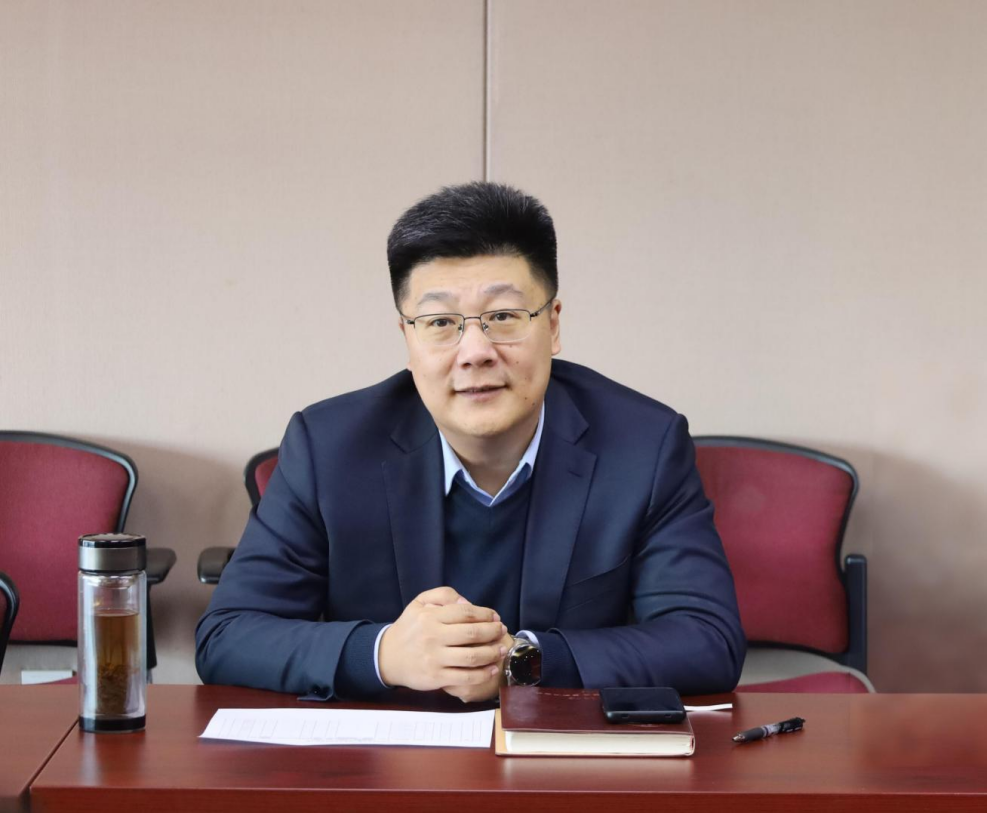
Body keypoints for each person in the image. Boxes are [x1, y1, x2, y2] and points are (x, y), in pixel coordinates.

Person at [196, 182, 745, 702]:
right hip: (389, 756)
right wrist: (384, 653)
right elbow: (228, 634)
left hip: (563, 757)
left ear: (553, 325)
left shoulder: (643, 446)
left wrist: (523, 661)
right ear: (407, 336)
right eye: (440, 322)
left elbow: (707, 639)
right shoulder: (329, 448)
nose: (475, 351)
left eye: (503, 316)